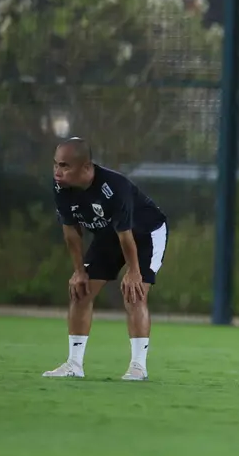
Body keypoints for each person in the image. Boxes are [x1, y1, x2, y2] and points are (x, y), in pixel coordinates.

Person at [44, 137, 169, 381]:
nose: (58, 171)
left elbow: (126, 236)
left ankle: (138, 367)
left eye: (65, 166)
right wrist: (79, 271)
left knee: (135, 294)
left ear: (87, 168)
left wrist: (133, 272)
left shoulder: (114, 187)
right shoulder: (61, 187)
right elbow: (71, 231)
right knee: (81, 291)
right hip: (110, 235)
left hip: (145, 234)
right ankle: (74, 364)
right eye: (56, 165)